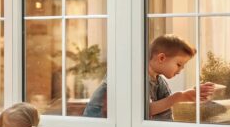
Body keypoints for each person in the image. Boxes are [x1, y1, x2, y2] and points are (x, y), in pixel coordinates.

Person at [84, 34, 213, 120]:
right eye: (179, 64)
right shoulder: (131, 75)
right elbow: (141, 110)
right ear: (161, 58)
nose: (181, 70)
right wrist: (179, 97)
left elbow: (164, 111)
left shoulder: (159, 82)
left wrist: (190, 95)